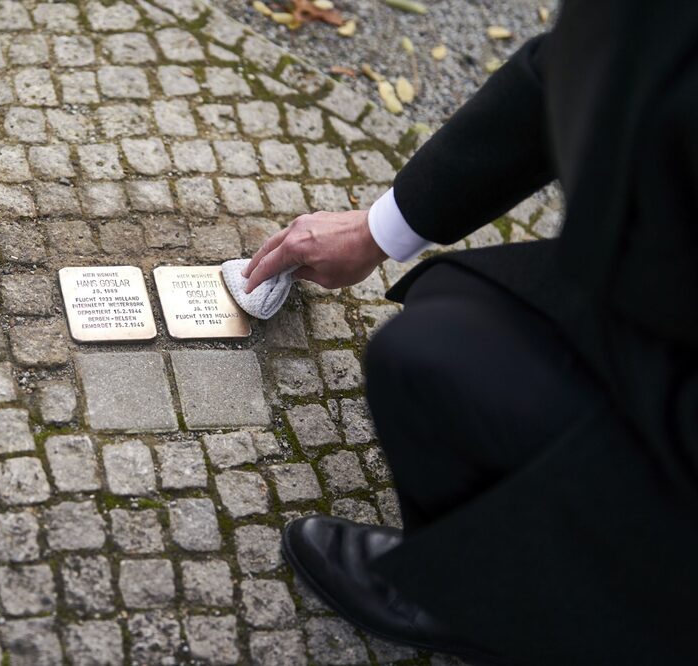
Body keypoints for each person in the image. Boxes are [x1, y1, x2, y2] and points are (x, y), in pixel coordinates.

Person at [241, 1, 698, 663]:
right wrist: (377, 230)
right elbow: (563, 68)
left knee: (426, 363)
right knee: (447, 304)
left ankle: (486, 600)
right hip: (656, 295)